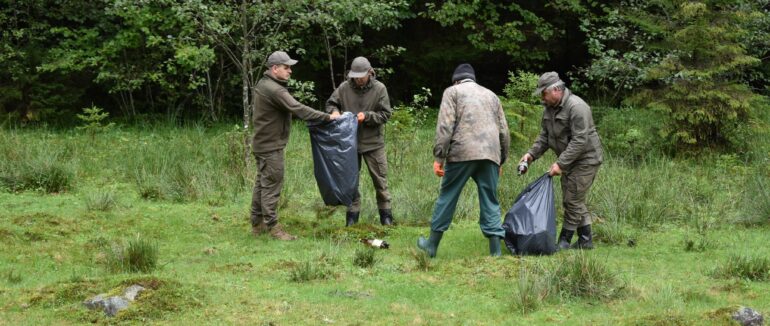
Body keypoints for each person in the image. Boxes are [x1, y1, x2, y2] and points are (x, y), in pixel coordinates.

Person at [417, 63, 511, 258]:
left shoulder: (452, 92)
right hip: (490, 154)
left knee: (448, 196)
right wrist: (501, 160)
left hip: (462, 153)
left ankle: (431, 246)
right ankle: (495, 252)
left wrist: (439, 157)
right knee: (490, 199)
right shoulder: (492, 96)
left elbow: (445, 127)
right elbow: (504, 131)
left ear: (456, 81)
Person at [250, 51, 339, 240]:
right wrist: (327, 117)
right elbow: (298, 108)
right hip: (270, 147)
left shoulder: (264, 84)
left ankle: (257, 224)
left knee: (262, 184)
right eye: (286, 67)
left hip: (262, 144)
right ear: (275, 68)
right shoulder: (275, 90)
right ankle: (273, 228)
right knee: (271, 185)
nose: (290, 71)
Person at [519, 71, 603, 250]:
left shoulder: (577, 107)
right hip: (569, 159)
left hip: (586, 159)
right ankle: (585, 240)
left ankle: (564, 241)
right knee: (573, 198)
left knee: (572, 199)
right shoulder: (549, 108)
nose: (542, 98)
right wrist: (530, 155)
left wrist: (560, 164)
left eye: (544, 93)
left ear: (556, 90)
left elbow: (580, 140)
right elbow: (544, 136)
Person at [325, 57, 394, 226]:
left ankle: (386, 217)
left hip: (373, 143)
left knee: (380, 181)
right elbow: (331, 103)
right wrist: (334, 112)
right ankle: (352, 218)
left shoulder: (380, 88)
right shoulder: (344, 87)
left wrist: (367, 116)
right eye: (355, 76)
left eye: (361, 76)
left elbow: (385, 114)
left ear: (370, 73)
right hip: (349, 143)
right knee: (350, 182)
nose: (358, 79)